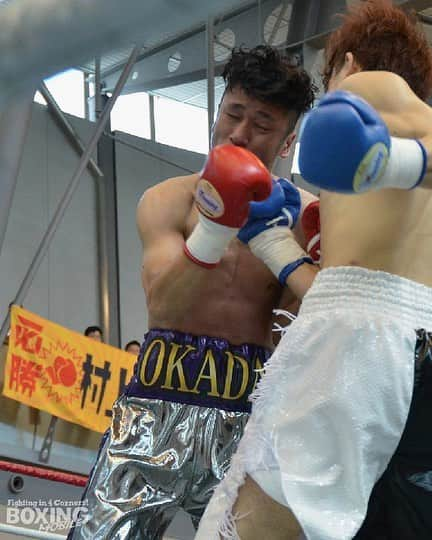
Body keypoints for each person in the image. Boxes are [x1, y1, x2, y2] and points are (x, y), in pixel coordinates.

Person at [196, 2, 432, 539]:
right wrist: (269, 239)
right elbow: (333, 287)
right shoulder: (411, 152)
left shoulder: (368, 88)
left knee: (250, 524)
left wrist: (383, 154)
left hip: (355, 339)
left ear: (347, 62)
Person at [68, 45, 315, 540]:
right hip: (155, 399)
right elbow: (164, 305)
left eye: (262, 124)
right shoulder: (168, 200)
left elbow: (313, 326)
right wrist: (216, 227)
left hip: (249, 413)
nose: (240, 133)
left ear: (287, 142)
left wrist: (281, 249)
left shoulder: (305, 218)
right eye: (233, 114)